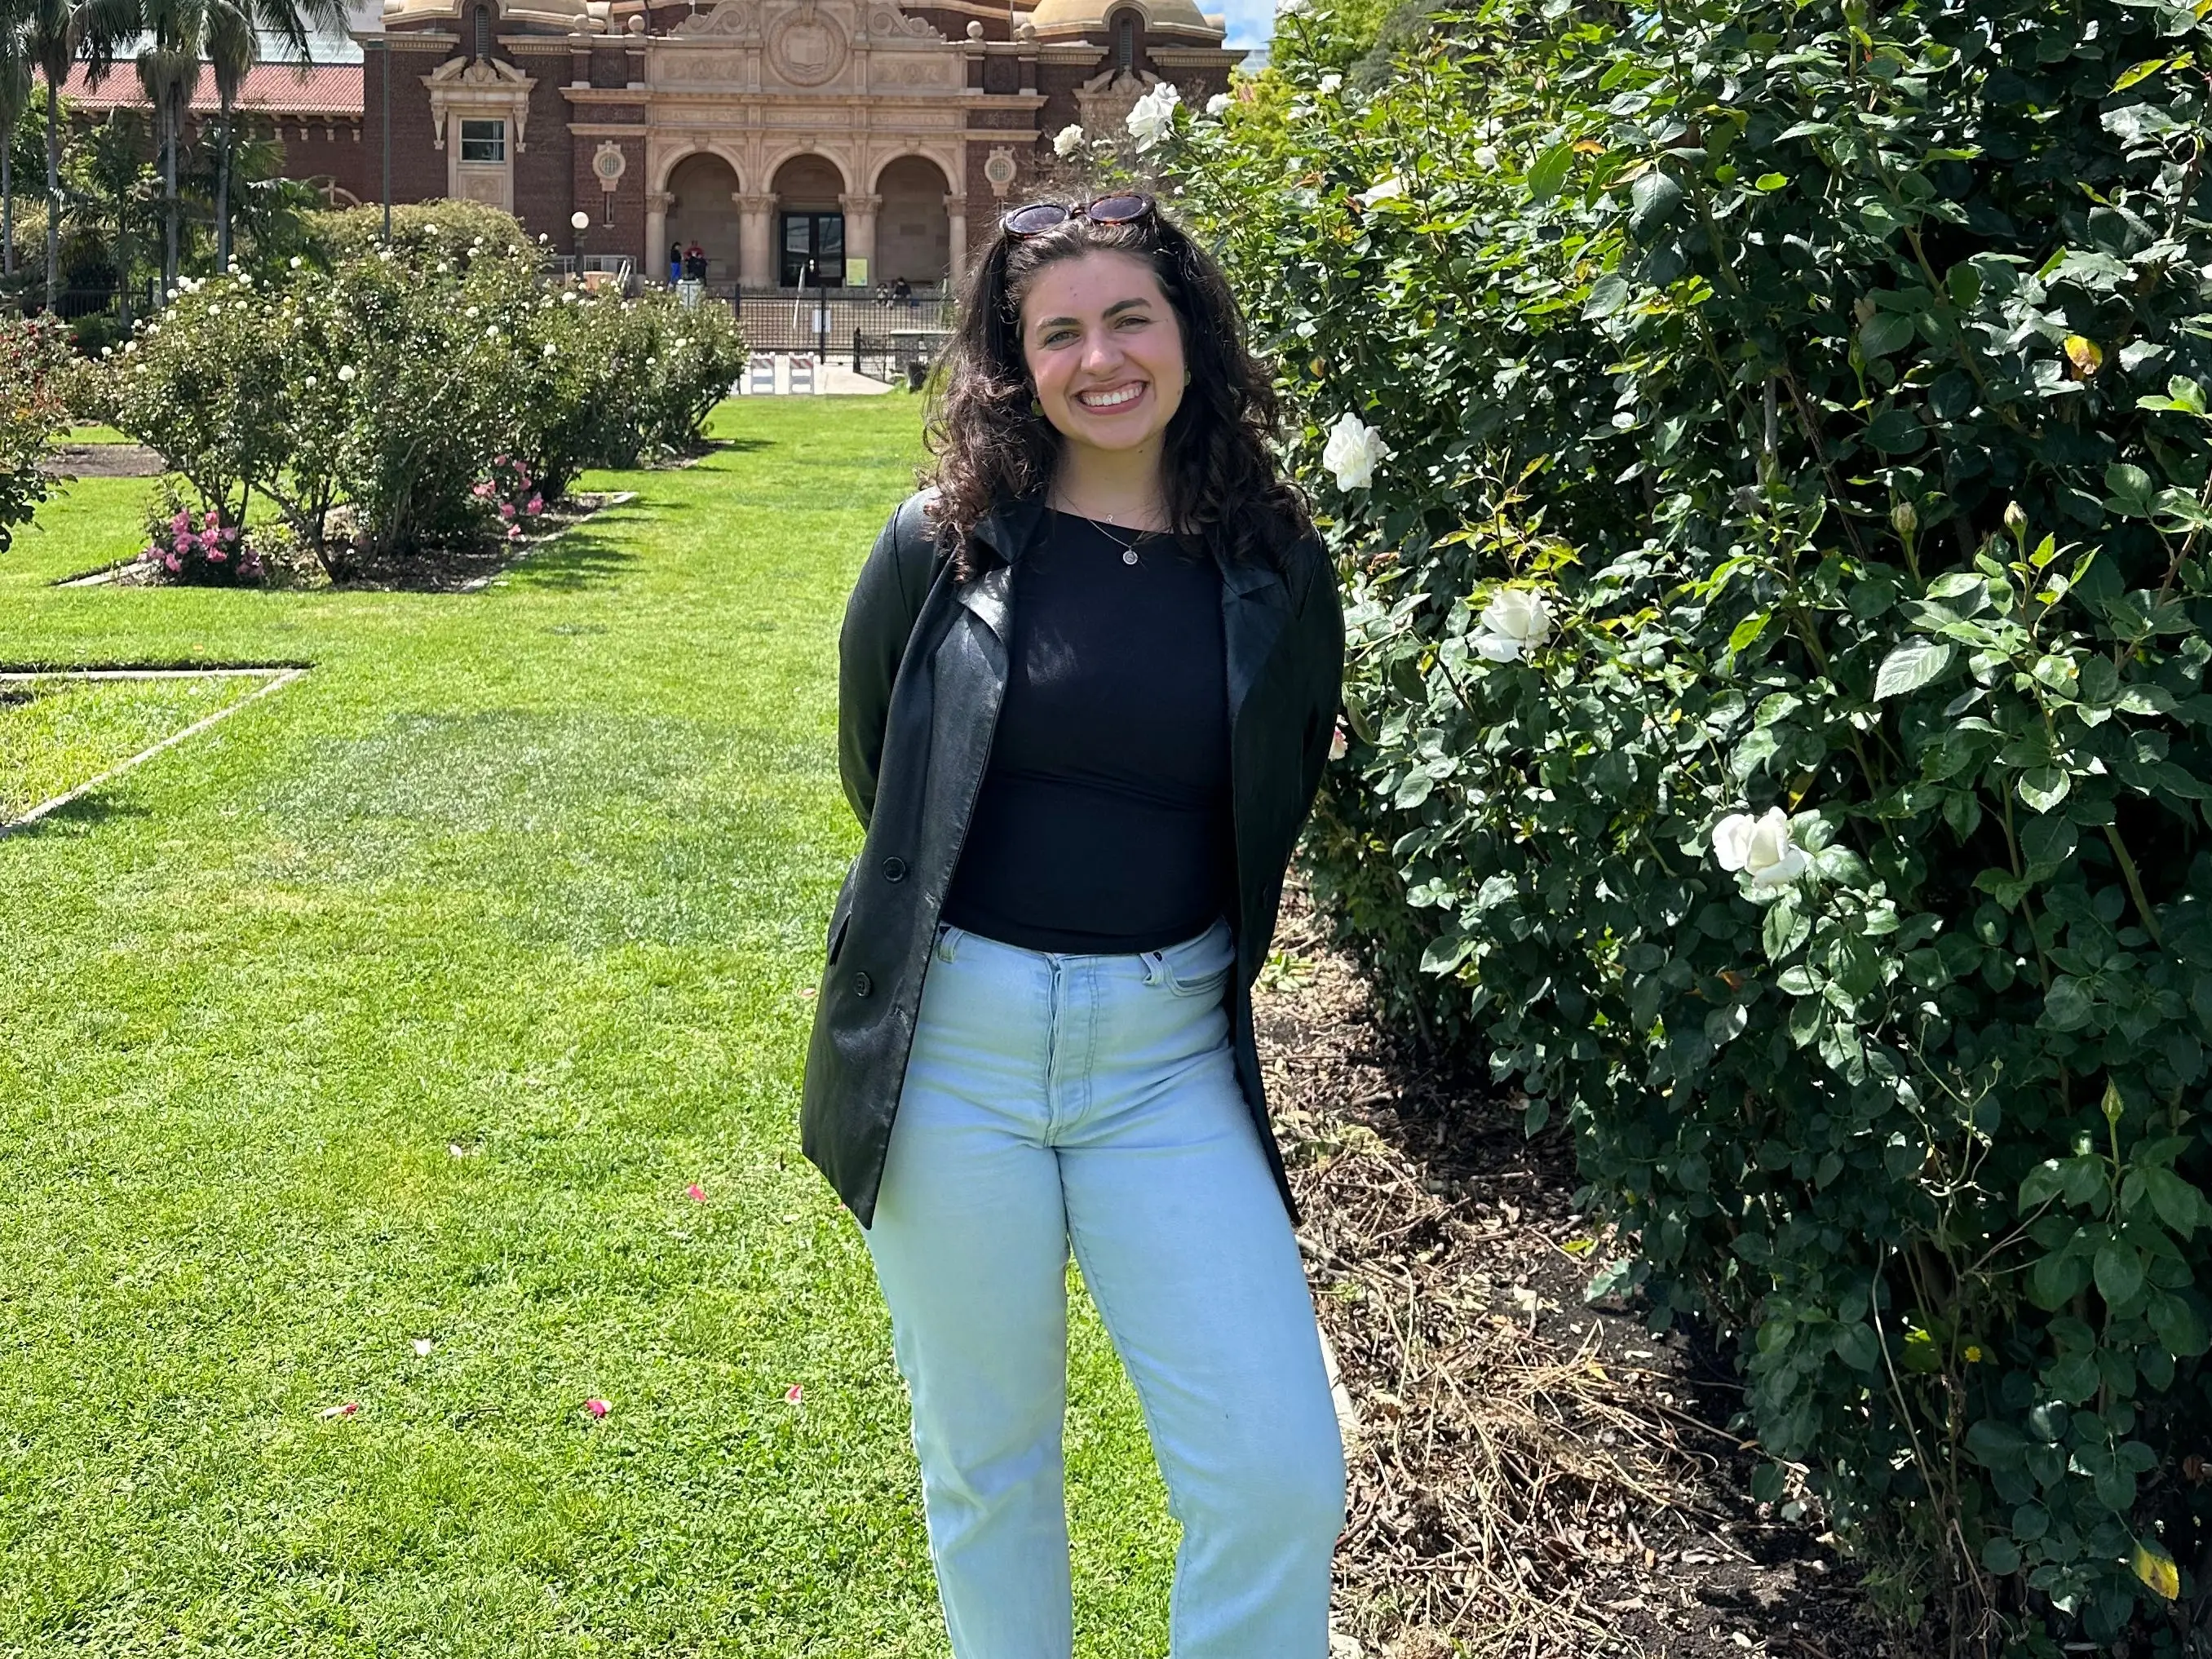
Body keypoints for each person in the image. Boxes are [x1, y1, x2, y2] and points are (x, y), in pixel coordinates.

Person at [800, 192, 1347, 1659]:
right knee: (990, 1467)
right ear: (1013, 362)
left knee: (1281, 1473)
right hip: (954, 1060)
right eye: (1059, 331)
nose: (1100, 359)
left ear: (1188, 338)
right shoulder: (943, 545)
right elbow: (885, 773)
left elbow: (1274, 793)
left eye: (1130, 319)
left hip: (1167, 1062)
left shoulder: (1279, 570)